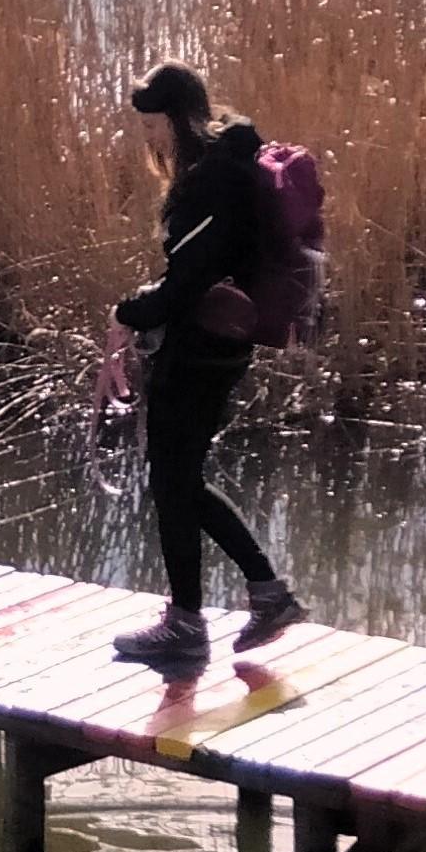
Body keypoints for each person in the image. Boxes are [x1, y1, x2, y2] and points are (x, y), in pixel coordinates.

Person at [101, 60, 308, 666]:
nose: (147, 139)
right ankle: (252, 597)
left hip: (203, 345)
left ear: (174, 119)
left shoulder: (210, 180)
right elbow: (198, 268)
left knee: (172, 478)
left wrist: (127, 312)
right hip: (221, 338)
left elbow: (188, 279)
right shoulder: (227, 165)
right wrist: (146, 306)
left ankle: (198, 619)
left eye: (150, 126)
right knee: (178, 479)